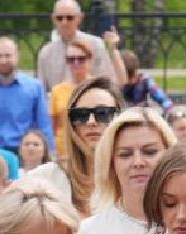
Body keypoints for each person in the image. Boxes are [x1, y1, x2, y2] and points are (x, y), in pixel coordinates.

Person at [25, 78, 120, 217]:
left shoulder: (135, 178)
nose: (91, 122)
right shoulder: (43, 179)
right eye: (81, 115)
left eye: (103, 113)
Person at [0, 37, 54, 164]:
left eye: (8, 55)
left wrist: (50, 154)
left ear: (17, 56)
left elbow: (43, 123)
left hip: (25, 151)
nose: (3, 60)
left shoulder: (34, 87)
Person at [37, 0, 122, 90]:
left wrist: (114, 51)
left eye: (69, 18)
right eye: (59, 18)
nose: (64, 22)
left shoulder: (95, 45)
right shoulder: (46, 53)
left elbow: (109, 82)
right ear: (53, 19)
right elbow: (42, 90)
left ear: (80, 18)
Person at [48, 38, 94, 157]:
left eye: (81, 59)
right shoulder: (57, 90)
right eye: (71, 59)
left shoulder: (98, 88)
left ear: (90, 60)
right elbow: (53, 127)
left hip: (92, 150)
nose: (76, 63)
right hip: (64, 153)